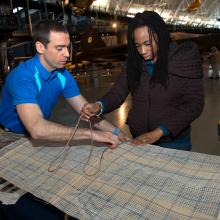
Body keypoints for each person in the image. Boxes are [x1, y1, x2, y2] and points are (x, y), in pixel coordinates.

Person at [82, 11, 204, 151]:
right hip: (140, 140)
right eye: (137, 45)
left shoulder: (183, 60)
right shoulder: (134, 62)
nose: (142, 51)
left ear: (161, 36)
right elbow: (118, 92)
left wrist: (160, 131)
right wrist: (99, 106)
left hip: (174, 143)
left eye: (147, 43)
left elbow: (195, 104)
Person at [0, 20, 123, 149]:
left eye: (67, 47)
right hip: (8, 136)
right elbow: (37, 129)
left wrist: (116, 132)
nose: (67, 54)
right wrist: (91, 134)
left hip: (36, 133)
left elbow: (86, 112)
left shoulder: (63, 75)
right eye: (60, 48)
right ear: (40, 47)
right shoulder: (23, 77)